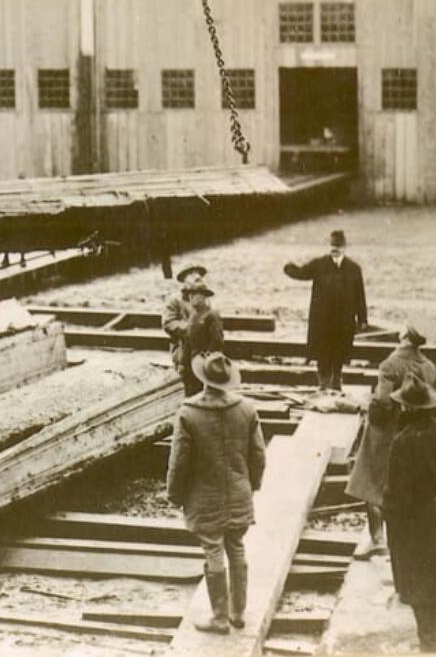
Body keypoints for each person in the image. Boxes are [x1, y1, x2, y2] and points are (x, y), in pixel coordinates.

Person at [167, 353, 266, 634]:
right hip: (239, 493)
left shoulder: (188, 413)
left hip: (204, 496)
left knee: (213, 550)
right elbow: (258, 455)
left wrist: (175, 494)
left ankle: (219, 617)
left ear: (202, 379)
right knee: (236, 547)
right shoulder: (246, 409)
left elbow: (179, 462)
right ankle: (238, 613)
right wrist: (252, 484)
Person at [383, 374, 436, 654]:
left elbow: (395, 495)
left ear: (408, 409)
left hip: (416, 525)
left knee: (423, 594)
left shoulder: (403, 442)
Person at [345, 324, 436, 560]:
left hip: (386, 432)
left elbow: (384, 403)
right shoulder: (429, 366)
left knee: (371, 481)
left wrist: (366, 404)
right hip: (415, 430)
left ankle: (378, 539)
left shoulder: (390, 365)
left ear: (405, 337)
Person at [283, 229, 368, 393]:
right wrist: (288, 268)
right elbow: (301, 273)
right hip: (323, 321)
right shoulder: (319, 264)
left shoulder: (354, 268)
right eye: (333, 246)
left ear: (344, 247)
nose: (335, 249)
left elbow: (360, 295)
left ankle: (337, 381)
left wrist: (362, 318)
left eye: (338, 246)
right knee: (323, 353)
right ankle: (323, 385)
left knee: (340, 353)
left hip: (343, 322)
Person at [161, 266, 224, 397]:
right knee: (190, 384)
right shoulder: (175, 301)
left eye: (199, 275)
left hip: (202, 349)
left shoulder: (204, 299)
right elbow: (168, 323)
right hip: (182, 348)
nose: (197, 277)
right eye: (192, 275)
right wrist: (191, 329)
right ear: (184, 281)